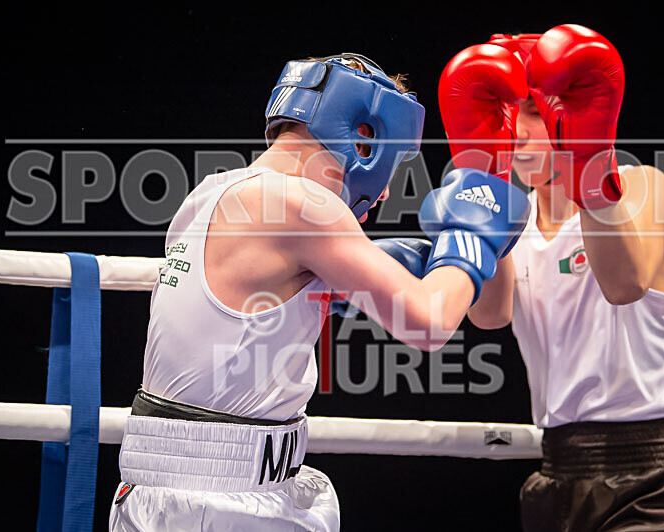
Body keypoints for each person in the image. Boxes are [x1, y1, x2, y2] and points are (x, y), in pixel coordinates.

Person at [109, 52, 528, 531]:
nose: (387, 193)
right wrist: (471, 238)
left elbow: (489, 313)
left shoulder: (212, 192)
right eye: (396, 165)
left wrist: (488, 180)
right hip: (217, 502)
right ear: (364, 137)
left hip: (200, 492)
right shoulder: (304, 205)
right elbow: (429, 322)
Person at [440, 24, 664, 531]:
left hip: (654, 477)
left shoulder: (642, 188)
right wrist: (488, 182)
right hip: (556, 474)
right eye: (504, 112)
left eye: (532, 110)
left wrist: (586, 163)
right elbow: (488, 313)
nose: (518, 129)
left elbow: (624, 285)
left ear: (568, 109)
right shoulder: (515, 219)